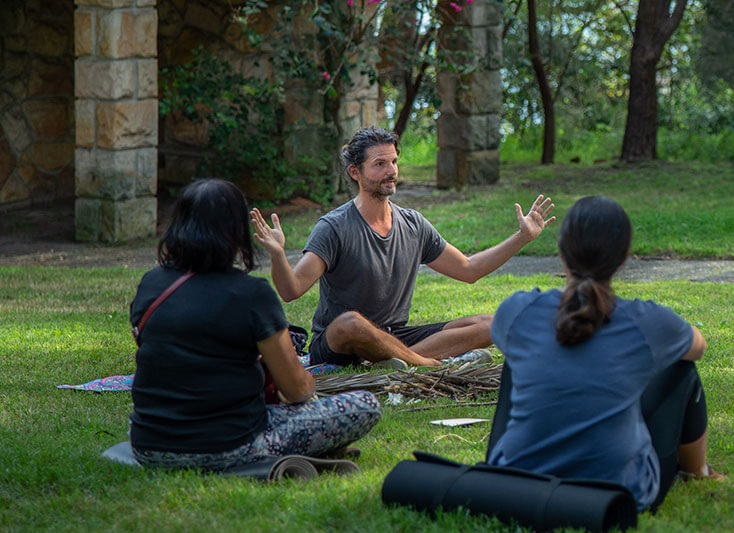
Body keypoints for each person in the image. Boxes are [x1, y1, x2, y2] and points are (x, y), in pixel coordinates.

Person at [250, 126, 556, 368]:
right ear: (355, 172)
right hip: (341, 343)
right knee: (351, 322)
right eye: (379, 164)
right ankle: (425, 364)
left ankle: (393, 362)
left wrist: (523, 237)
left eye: (394, 162)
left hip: (393, 336)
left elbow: (469, 270)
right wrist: (277, 254)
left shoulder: (413, 224)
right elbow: (291, 291)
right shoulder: (333, 227)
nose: (391, 171)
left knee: (490, 325)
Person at [128, 179, 381, 470]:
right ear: (236, 231)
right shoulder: (252, 294)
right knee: (364, 404)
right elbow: (297, 390)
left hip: (149, 444)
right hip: (230, 444)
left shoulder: (151, 284)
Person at [486, 196, 717, 511]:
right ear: (622, 259)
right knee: (682, 369)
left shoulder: (517, 311)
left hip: (515, 484)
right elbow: (698, 346)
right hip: (617, 491)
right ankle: (698, 472)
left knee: (516, 358)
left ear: (562, 253)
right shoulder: (648, 322)